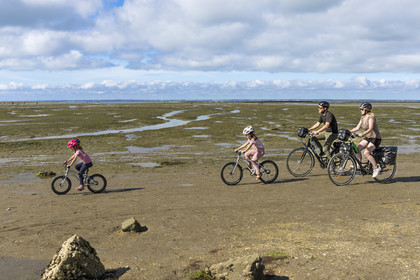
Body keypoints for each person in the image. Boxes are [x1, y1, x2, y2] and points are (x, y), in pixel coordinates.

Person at [349, 102, 382, 178]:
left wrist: (362, 133)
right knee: (357, 149)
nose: (361, 110)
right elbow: (357, 128)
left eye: (362, 109)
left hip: (375, 138)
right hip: (368, 137)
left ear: (366, 109)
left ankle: (376, 167)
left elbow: (370, 128)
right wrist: (349, 131)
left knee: (366, 153)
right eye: (360, 109)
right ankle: (359, 164)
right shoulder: (362, 117)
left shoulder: (371, 117)